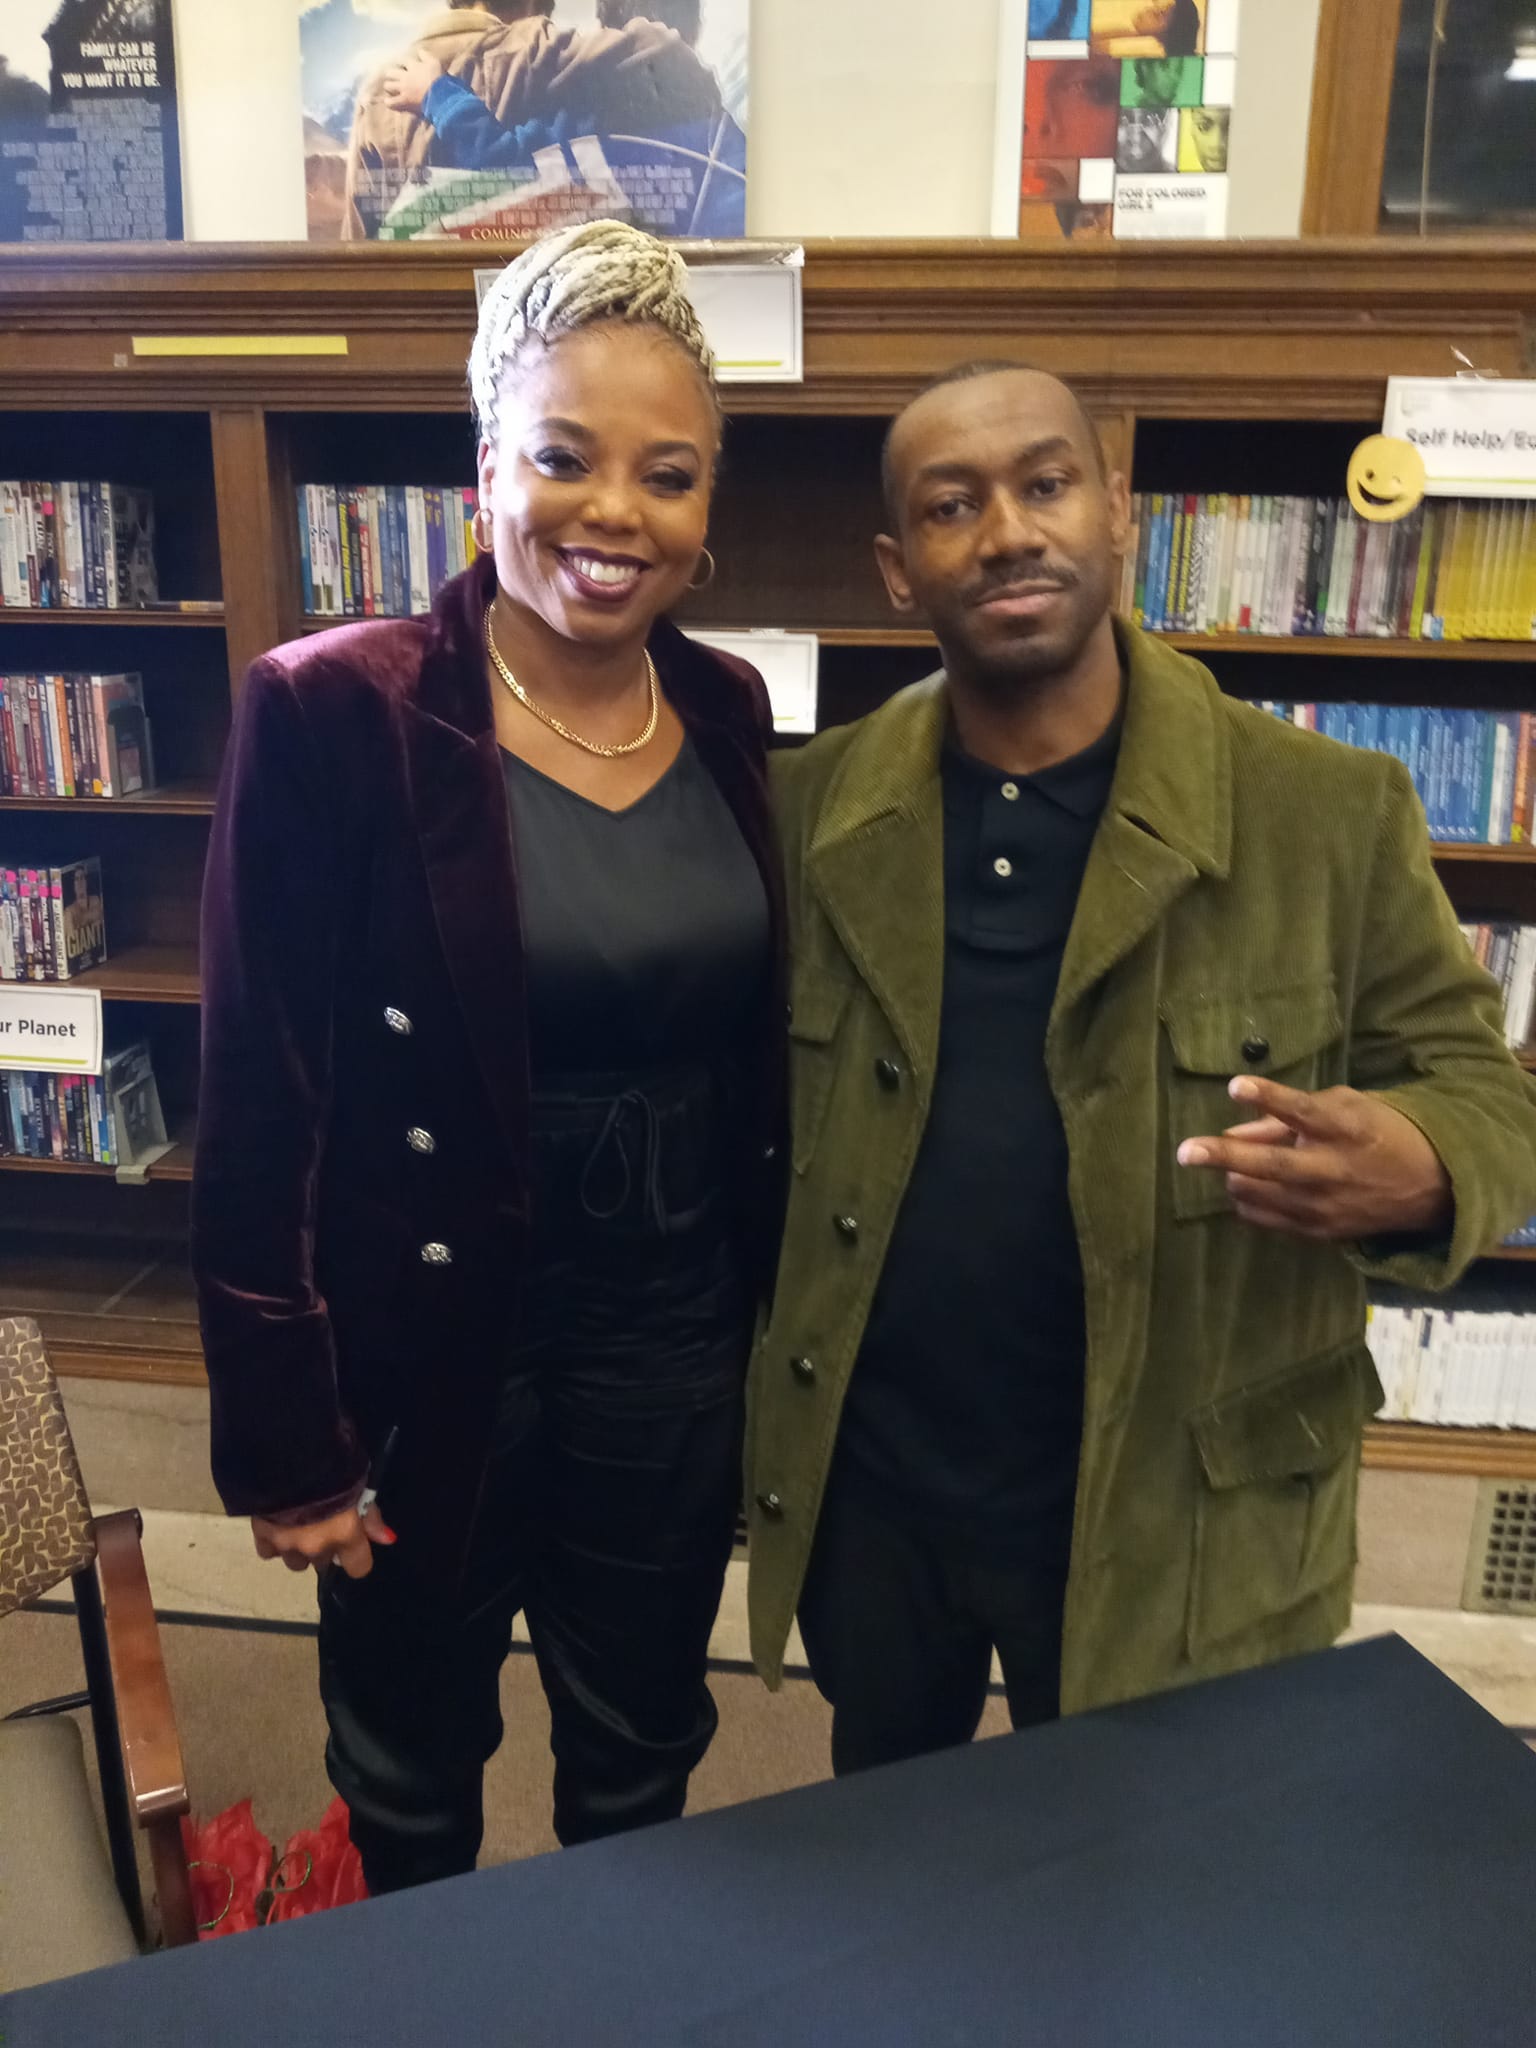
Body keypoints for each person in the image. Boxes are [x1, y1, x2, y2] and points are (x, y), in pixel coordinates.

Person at [745, 360, 1536, 1775]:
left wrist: (1417, 1166)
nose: (1008, 533)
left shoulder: (1323, 811)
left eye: (1045, 485)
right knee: (887, 1841)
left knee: (1164, 1854)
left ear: (1119, 511)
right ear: (897, 569)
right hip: (885, 1492)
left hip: (1184, 1501)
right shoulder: (807, 813)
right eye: (952, 506)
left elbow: (1487, 1099)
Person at [192, 218, 786, 1892]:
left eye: (668, 475)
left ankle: (619, 1996)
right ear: (485, 470)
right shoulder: (335, 709)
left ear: (707, 507)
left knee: (640, 1744)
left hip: (671, 1329)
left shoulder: (729, 710)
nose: (616, 512)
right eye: (564, 457)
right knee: (410, 1764)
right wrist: (288, 1435)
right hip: (432, 1326)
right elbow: (259, 1097)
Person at [344, 3, 730, 239]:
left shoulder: (380, 88)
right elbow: (665, 52)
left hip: (428, 314)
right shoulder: (548, 54)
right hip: (541, 314)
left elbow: (359, 244)